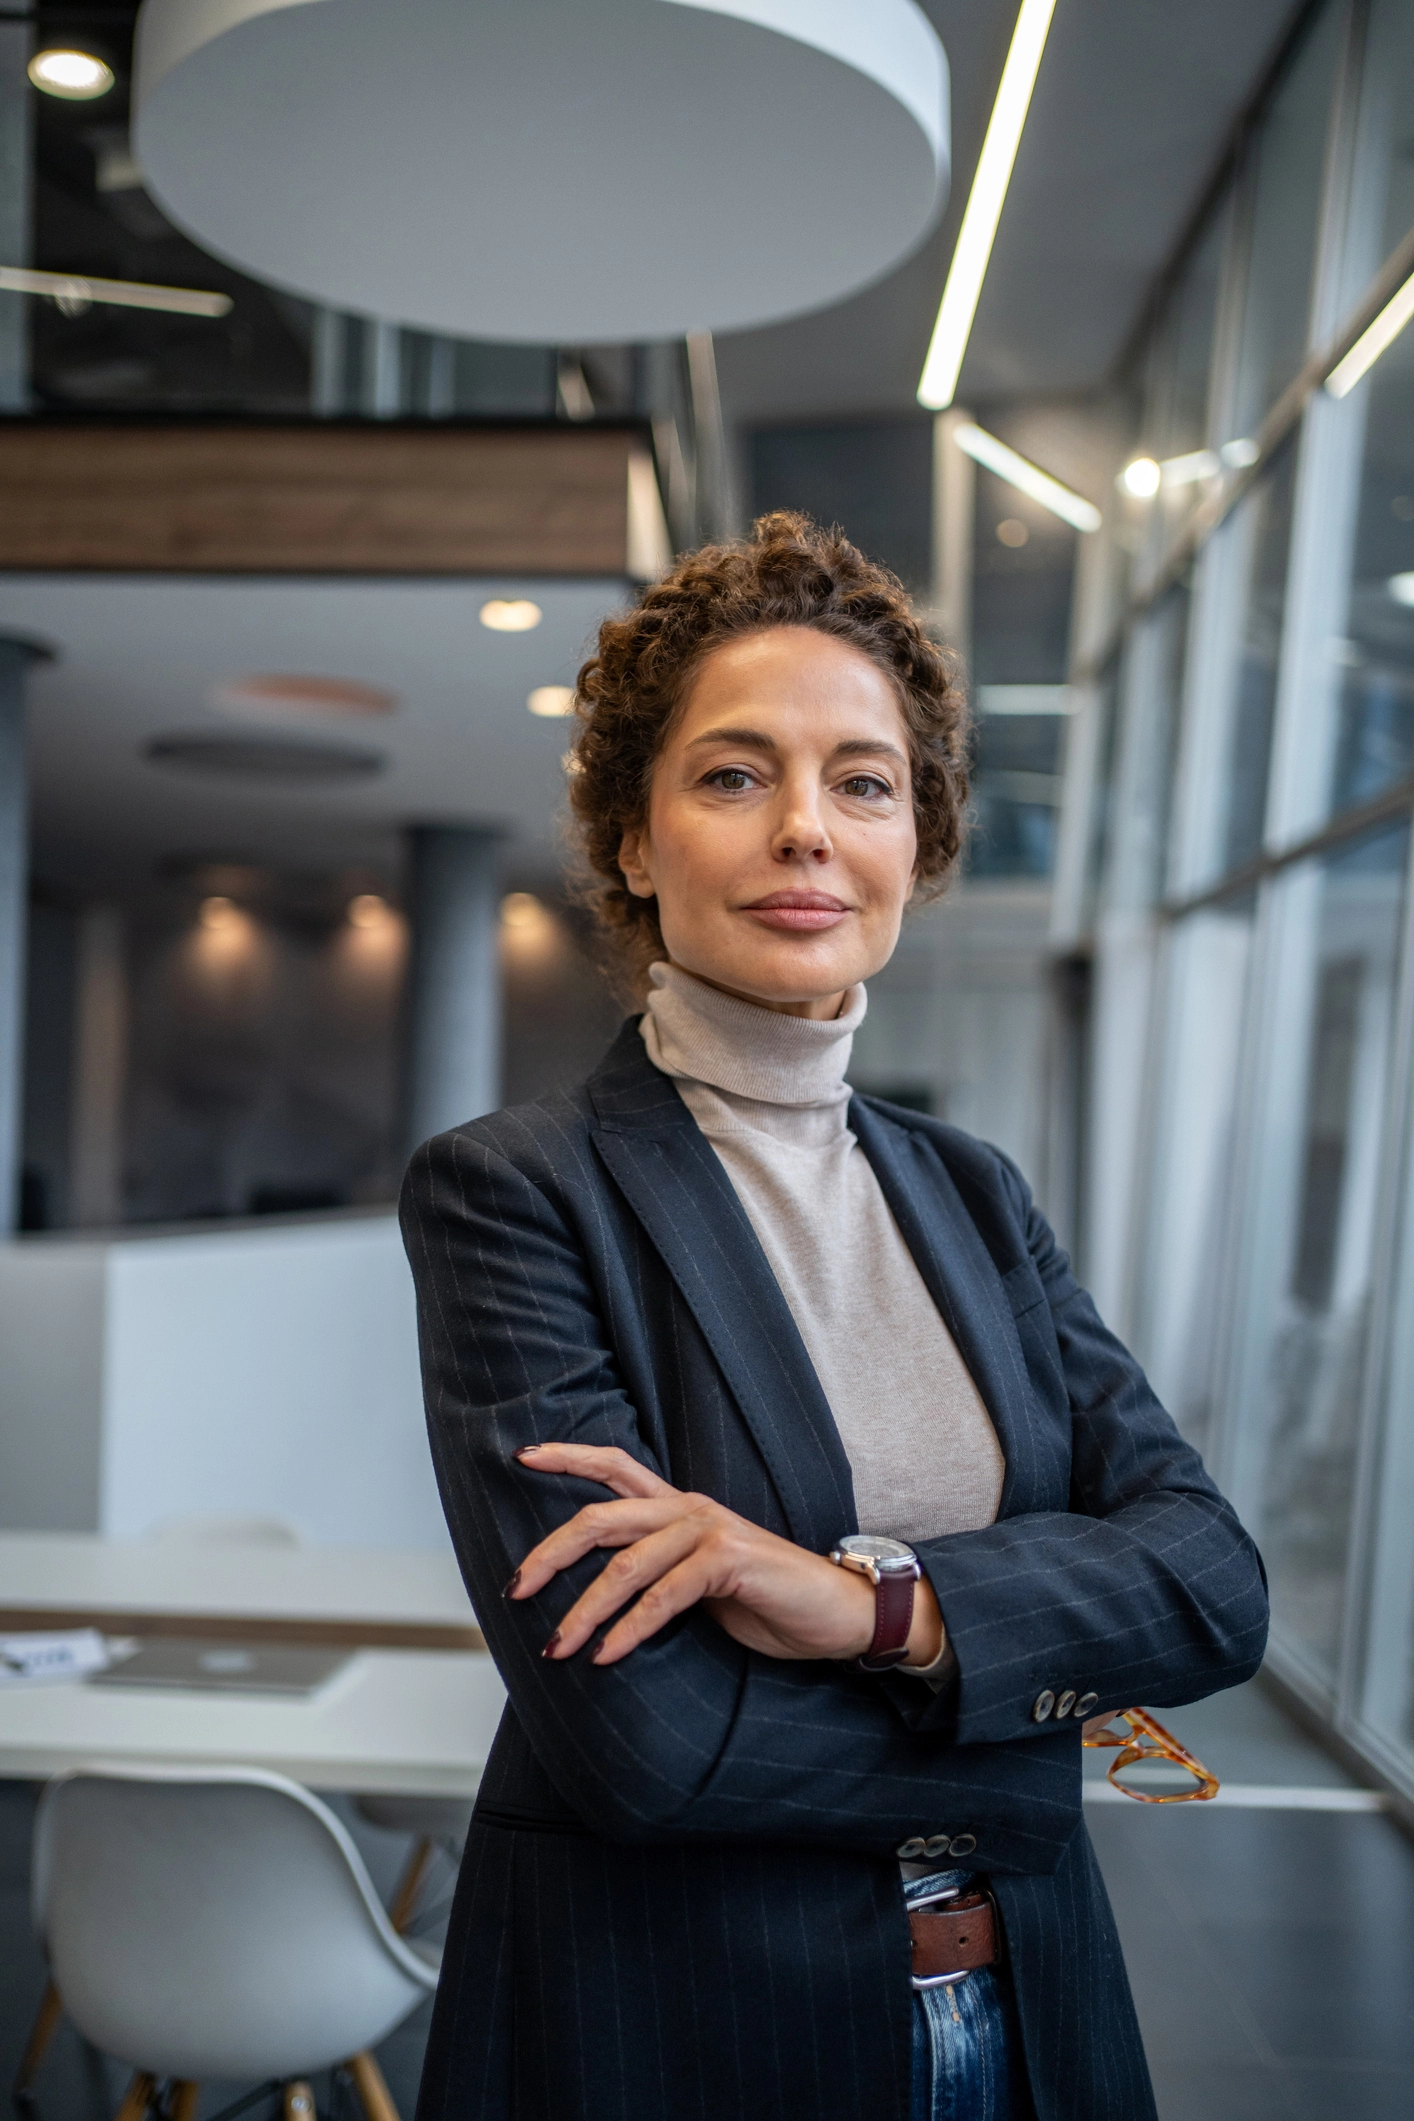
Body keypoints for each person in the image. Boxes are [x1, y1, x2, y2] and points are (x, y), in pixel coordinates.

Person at [400, 513, 1268, 2121]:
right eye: (734, 775)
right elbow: (642, 1741)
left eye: (862, 783)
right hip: (686, 2029)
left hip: (1028, 2012)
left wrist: (870, 1609)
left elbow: (1210, 1581)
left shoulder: (971, 1191)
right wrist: (1028, 1748)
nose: (805, 829)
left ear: (914, 844)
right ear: (635, 841)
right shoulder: (515, 1192)